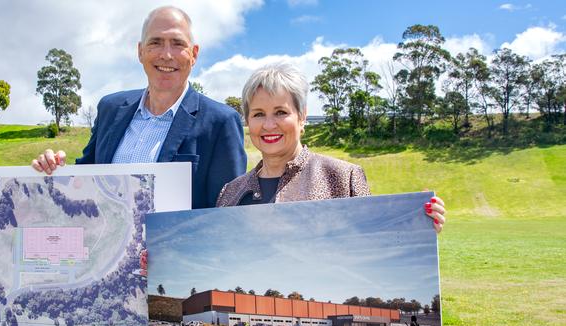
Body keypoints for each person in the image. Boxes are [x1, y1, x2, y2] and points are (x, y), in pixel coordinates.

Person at [32, 6, 247, 209]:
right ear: (140, 51)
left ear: (194, 54)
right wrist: (53, 169)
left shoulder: (221, 122)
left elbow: (225, 215)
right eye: (155, 42)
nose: (166, 54)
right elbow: (84, 181)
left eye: (177, 43)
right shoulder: (110, 108)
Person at [216, 62, 446, 233]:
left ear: (302, 116)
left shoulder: (343, 177)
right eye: (258, 114)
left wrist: (418, 226)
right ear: (248, 121)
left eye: (281, 112)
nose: (269, 125)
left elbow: (373, 240)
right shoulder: (230, 192)